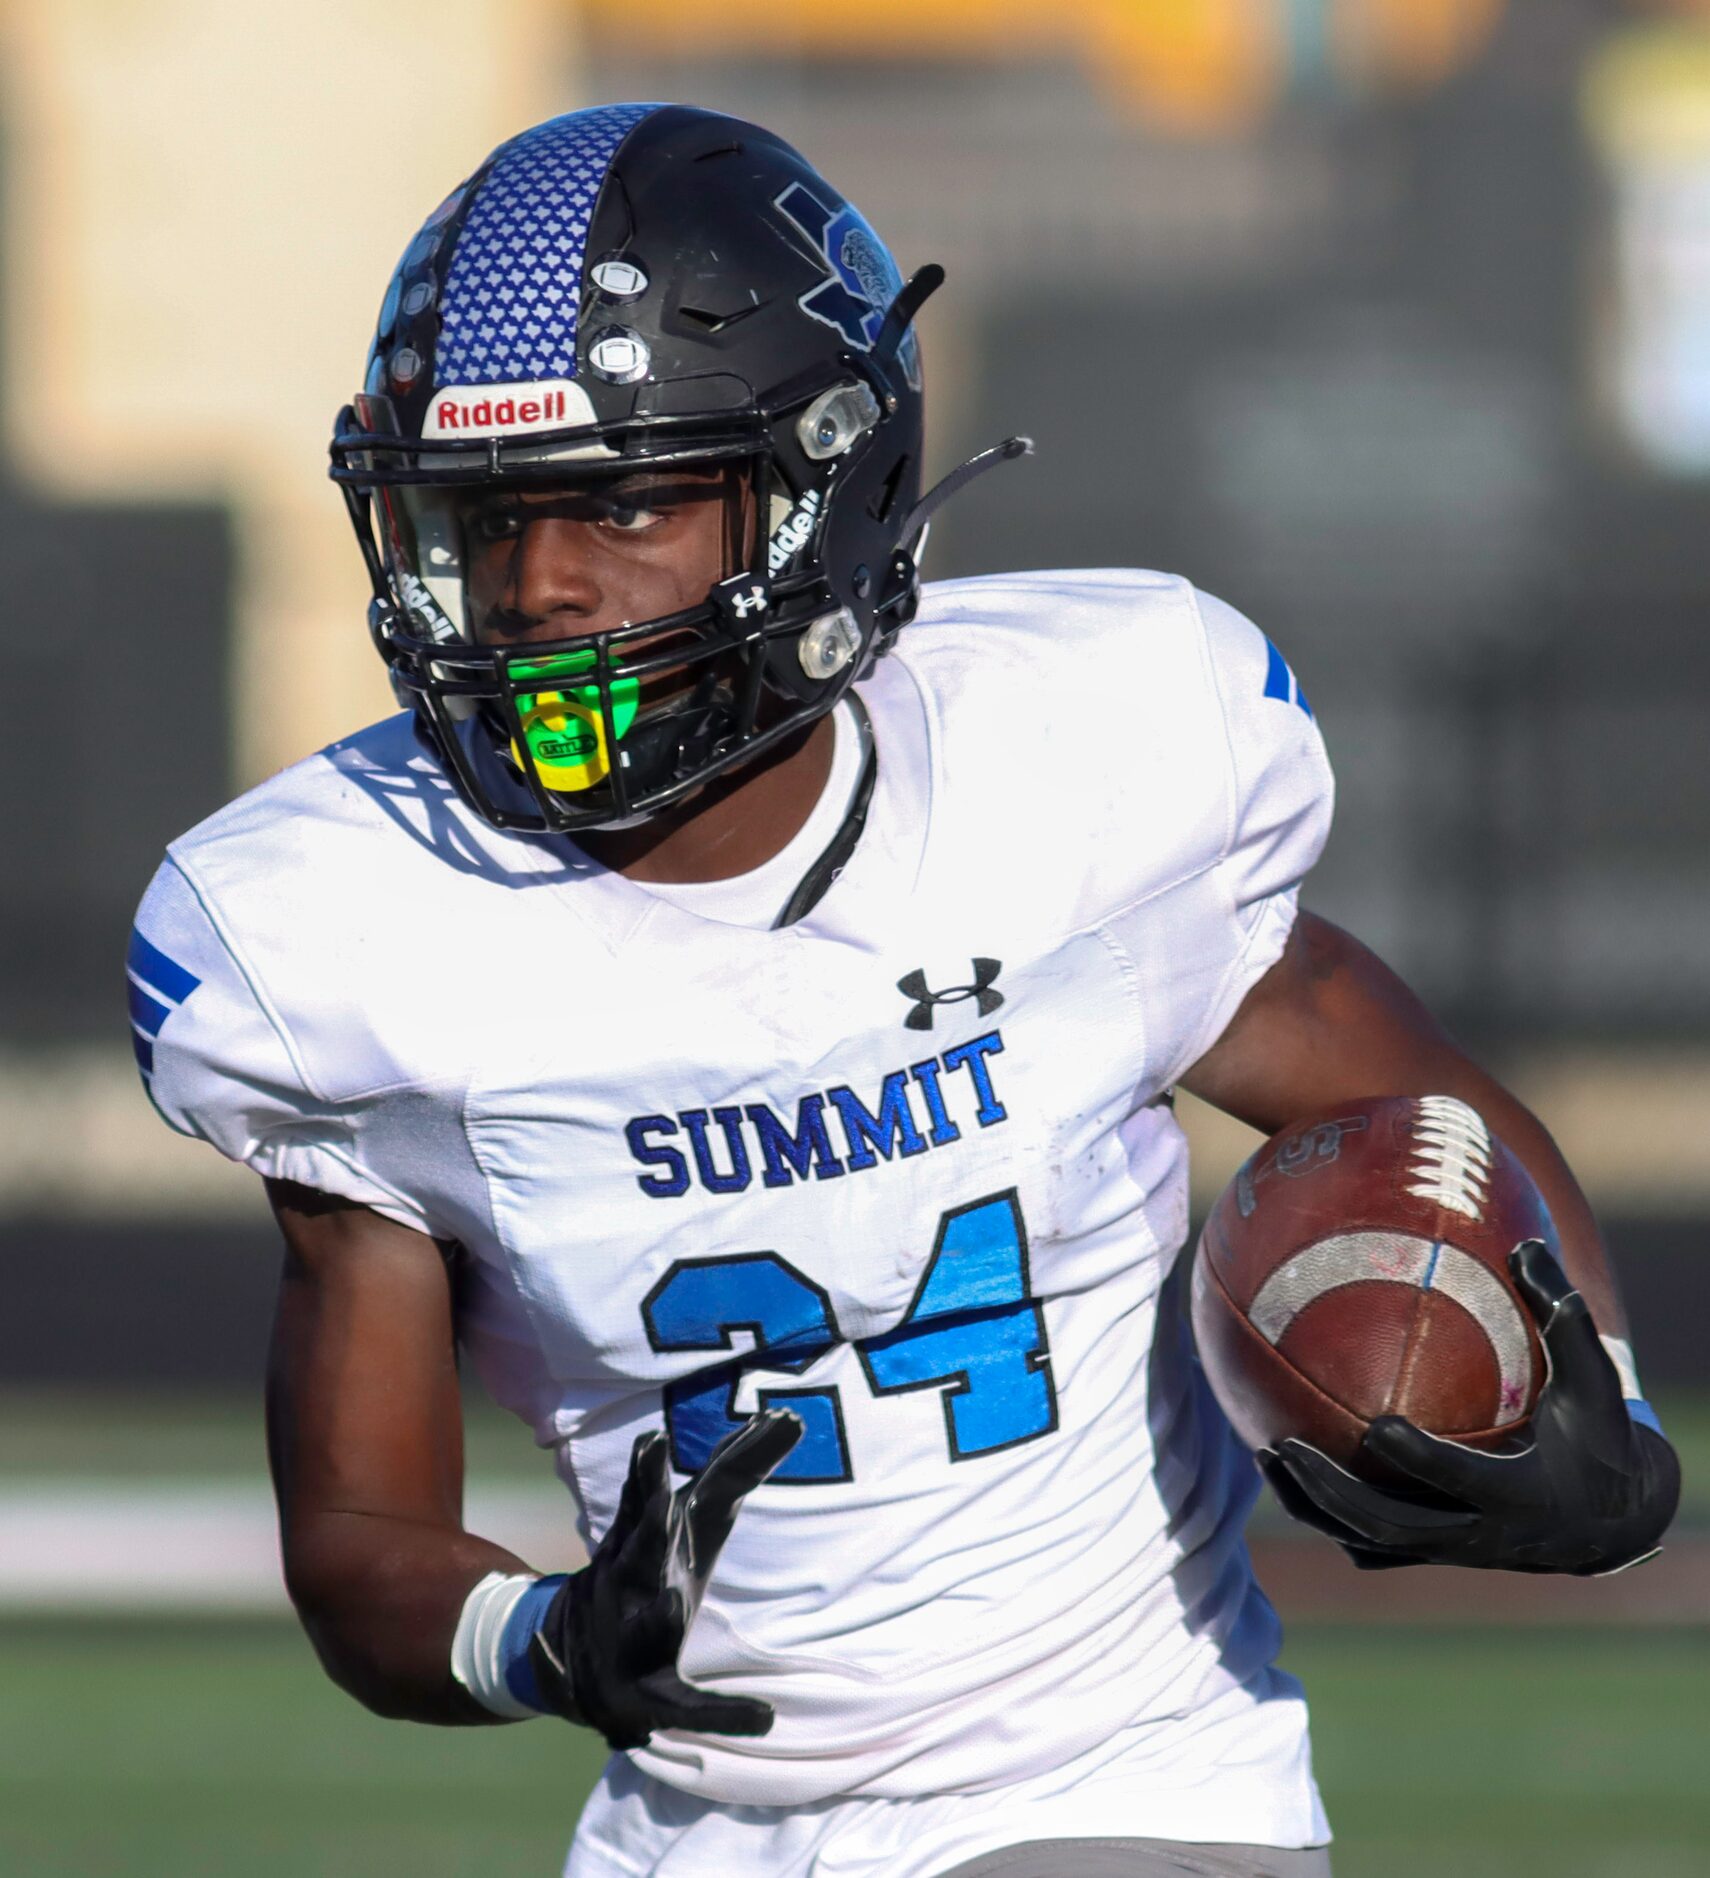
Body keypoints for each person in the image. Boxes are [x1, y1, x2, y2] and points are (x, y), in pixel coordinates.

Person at [128, 104, 1678, 1878]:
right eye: (488, 520)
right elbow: (355, 1534)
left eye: (621, 501)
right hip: (685, 1838)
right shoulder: (337, 932)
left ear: (818, 485)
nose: (540, 586)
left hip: (1117, 1784)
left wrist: (1601, 1416)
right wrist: (539, 1638)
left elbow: (1413, 1112)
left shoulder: (1072, 763)